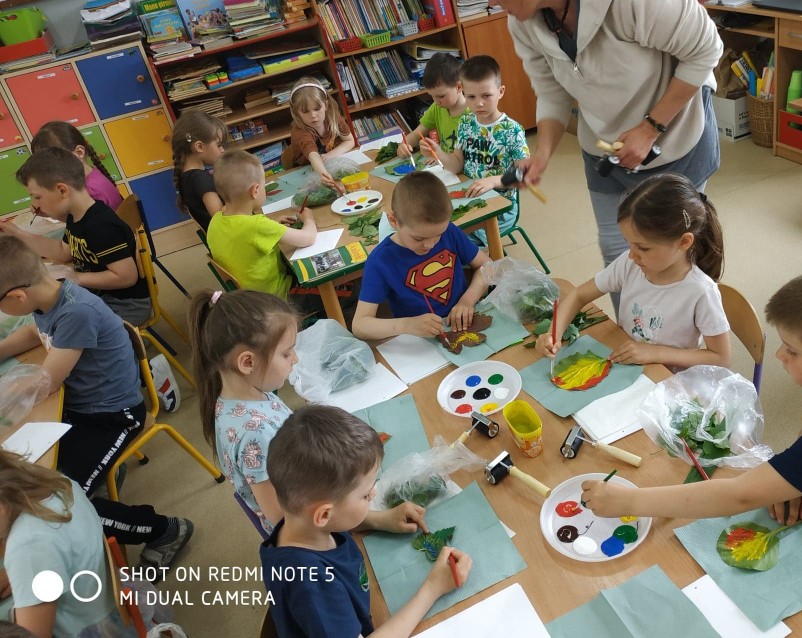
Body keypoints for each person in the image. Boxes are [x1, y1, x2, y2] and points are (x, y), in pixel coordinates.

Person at [580, 263, 802, 585]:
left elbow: (740, 495)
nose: (779, 356)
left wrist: (630, 503)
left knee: (689, 574)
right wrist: (798, 480)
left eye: (792, 350)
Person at [465, 0, 723, 270]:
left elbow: (706, 49)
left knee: (674, 258)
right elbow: (551, 89)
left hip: (673, 136)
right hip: (605, 147)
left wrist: (650, 127)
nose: (491, 1)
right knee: (618, 256)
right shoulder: (523, 21)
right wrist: (542, 154)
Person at [0, 236, 193, 577]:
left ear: (17, 296)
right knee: (30, 478)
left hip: (114, 417)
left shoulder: (75, 311)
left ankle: (163, 530)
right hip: (81, 409)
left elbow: (48, 381)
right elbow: (33, 335)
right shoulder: (47, 298)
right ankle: (101, 472)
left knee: (63, 506)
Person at [261, 404, 472, 638]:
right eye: (365, 495)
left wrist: (381, 520)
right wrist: (433, 588)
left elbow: (332, 521)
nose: (374, 494)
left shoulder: (303, 523)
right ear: (324, 514)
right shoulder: (312, 587)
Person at [537, 173, 730, 369]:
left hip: (669, 379)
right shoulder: (629, 265)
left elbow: (721, 358)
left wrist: (656, 353)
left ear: (684, 242)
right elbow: (578, 295)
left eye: (643, 248)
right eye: (628, 243)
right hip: (627, 367)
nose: (631, 255)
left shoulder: (701, 292)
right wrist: (554, 333)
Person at [0, 147, 151, 326]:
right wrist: (14, 232)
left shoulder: (100, 225)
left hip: (126, 306)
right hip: (101, 295)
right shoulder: (76, 216)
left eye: (37, 197)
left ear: (62, 191)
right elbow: (63, 252)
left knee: (58, 325)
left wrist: (76, 277)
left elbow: (126, 277)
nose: (35, 204)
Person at [189, 289, 298, 535]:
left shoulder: (245, 396)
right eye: (286, 353)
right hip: (302, 530)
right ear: (248, 362)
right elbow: (282, 518)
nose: (295, 359)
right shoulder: (255, 435)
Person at [0, 450, 132, 637]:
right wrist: (19, 574)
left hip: (94, 631)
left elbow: (30, 635)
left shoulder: (28, 546)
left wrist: (25, 569)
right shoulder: (55, 482)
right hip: (110, 605)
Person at [352, 172, 490, 340]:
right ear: (394, 221)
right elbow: (360, 325)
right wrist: (406, 325)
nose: (430, 245)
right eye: (419, 238)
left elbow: (487, 266)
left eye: (438, 235)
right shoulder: (381, 261)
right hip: (419, 340)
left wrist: (467, 301)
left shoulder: (449, 232)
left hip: (463, 324)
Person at [430, 55, 528, 240]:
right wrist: (438, 152)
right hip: (469, 196)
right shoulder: (466, 122)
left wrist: (494, 181)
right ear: (463, 92)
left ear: (500, 91)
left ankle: (481, 256)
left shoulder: (512, 130)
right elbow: (456, 165)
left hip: (500, 207)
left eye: (486, 96)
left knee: (453, 239)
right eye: (471, 97)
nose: (479, 103)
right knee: (432, 226)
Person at [206, 149, 317, 302]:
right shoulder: (257, 225)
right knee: (345, 287)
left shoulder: (216, 220)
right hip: (278, 299)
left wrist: (273, 225)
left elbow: (244, 237)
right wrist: (309, 218)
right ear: (255, 190)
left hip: (250, 301)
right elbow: (308, 238)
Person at [31, 121, 122, 212]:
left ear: (79, 152)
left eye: (52, 162)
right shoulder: (92, 174)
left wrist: (50, 211)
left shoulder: (89, 193)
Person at [280, 76, 354, 186]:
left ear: (326, 105)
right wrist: (323, 174)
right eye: (306, 112)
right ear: (296, 113)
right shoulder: (299, 130)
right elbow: (313, 155)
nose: (313, 115)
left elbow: (349, 141)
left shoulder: (333, 117)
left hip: (327, 163)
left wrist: (330, 155)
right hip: (303, 171)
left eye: (317, 109)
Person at [397, 53, 468, 157]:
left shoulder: (474, 113)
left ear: (459, 87)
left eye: (441, 96)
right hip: (445, 164)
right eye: (432, 96)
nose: (436, 101)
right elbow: (417, 134)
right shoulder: (437, 108)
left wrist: (441, 156)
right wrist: (404, 145)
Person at [171, 110, 227, 232]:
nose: (222, 150)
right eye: (219, 145)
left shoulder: (187, 177)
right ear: (199, 146)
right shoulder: (200, 180)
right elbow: (222, 220)